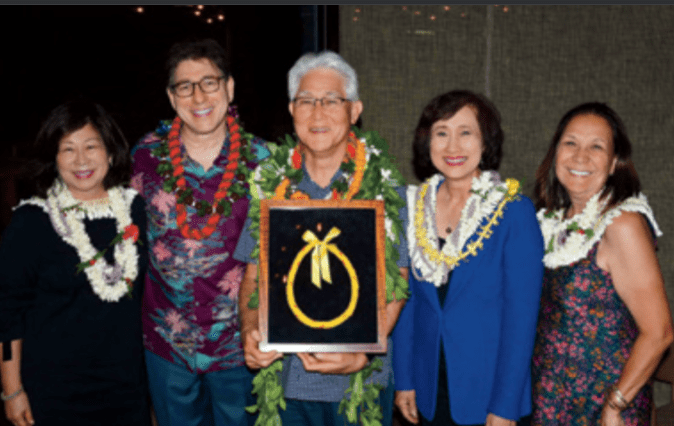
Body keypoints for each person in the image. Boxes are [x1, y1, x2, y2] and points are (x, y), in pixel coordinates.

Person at [233, 51, 410, 426]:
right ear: (291, 109)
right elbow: (252, 278)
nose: (317, 113)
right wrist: (249, 330)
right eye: (306, 101)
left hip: (358, 381)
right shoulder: (269, 183)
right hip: (284, 381)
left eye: (331, 101)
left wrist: (364, 349)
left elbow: (398, 281)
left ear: (355, 110)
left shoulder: (384, 186)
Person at [130, 38, 269, 426]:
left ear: (229, 87)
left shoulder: (266, 162)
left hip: (239, 346)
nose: (198, 96)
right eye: (185, 86)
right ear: (171, 97)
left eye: (209, 82)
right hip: (166, 341)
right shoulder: (145, 155)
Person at [0, 99, 150, 426]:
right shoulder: (32, 221)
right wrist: (11, 391)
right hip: (54, 392)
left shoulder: (134, 211)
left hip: (126, 387)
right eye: (67, 149)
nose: (81, 160)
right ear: (54, 159)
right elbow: (5, 312)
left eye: (91, 146)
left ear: (111, 152)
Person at [392, 90, 544, 426]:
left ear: (485, 142)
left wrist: (504, 407)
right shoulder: (411, 206)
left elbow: (521, 321)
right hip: (429, 386)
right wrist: (404, 378)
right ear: (426, 142)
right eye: (441, 133)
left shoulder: (513, 211)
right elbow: (405, 300)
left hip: (487, 391)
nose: (453, 147)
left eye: (466, 133)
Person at [531, 102, 674, 426]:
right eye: (571, 143)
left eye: (596, 146)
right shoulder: (552, 223)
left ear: (613, 163)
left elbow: (659, 332)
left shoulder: (622, 224)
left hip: (602, 409)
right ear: (555, 154)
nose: (580, 157)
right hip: (551, 400)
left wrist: (617, 404)